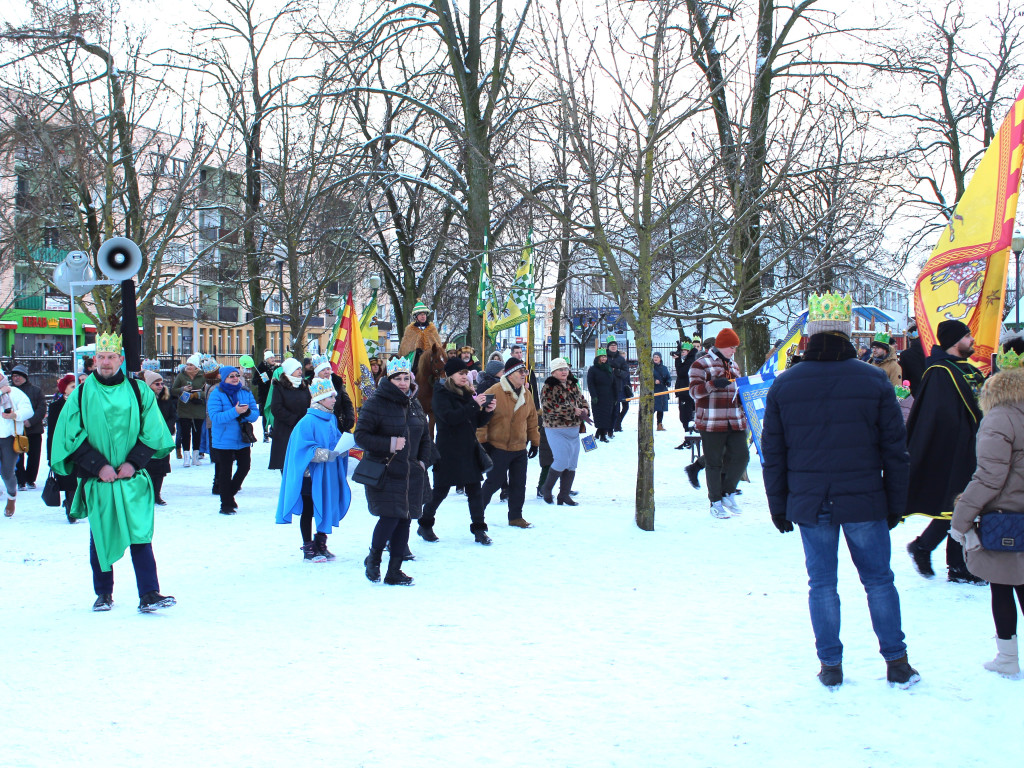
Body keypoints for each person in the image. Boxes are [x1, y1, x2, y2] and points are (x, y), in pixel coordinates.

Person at [761, 292, 919, 690]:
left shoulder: (786, 384)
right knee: (879, 581)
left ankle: (830, 665)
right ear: (848, 332)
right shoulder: (872, 380)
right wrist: (896, 502)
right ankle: (896, 662)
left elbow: (774, 453)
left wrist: (778, 505)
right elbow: (895, 450)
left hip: (811, 500)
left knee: (822, 584)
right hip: (864, 496)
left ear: (810, 334)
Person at [50, 332, 176, 613]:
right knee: (101, 535)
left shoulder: (138, 391)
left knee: (140, 534)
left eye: (111, 357)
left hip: (132, 479)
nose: (105, 363)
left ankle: (149, 592)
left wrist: (133, 462)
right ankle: (103, 592)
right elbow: (70, 436)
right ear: (94, 360)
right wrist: (99, 466)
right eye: (101, 357)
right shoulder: (81, 394)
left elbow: (154, 430)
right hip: (100, 480)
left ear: (120, 359)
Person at [950, 355, 1024, 678]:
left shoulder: (999, 417)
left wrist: (960, 518)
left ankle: (1007, 658)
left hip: (1007, 517)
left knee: (1003, 587)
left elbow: (990, 477)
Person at [904, 319, 987, 583]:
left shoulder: (968, 370)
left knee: (963, 507)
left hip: (974, 446)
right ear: (954, 341)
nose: (972, 340)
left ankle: (934, 552)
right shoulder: (940, 372)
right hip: (955, 450)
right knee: (960, 506)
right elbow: (941, 416)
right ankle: (955, 564)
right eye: (967, 336)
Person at [354, 356, 434, 584]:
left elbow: (425, 437)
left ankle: (394, 571)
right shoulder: (376, 403)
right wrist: (389, 444)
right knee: (390, 518)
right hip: (386, 471)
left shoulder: (414, 403)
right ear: (389, 380)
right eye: (397, 378)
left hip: (411, 472)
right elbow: (361, 436)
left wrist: (422, 462)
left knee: (405, 520)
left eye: (406, 378)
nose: (402, 382)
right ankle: (374, 559)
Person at [418, 356, 496, 545]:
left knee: (475, 491)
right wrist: (474, 405)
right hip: (448, 451)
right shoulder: (441, 392)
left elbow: (474, 422)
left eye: (466, 373)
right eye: (460, 373)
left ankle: (479, 529)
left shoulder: (467, 392)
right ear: (450, 375)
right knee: (440, 491)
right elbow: (449, 418)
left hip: (469, 448)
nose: (464, 376)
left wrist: (487, 412)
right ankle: (425, 524)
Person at [277, 377, 352, 562]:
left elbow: (334, 441)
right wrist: (326, 454)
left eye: (334, 396)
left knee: (326, 504)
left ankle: (321, 543)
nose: (335, 400)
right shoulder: (307, 422)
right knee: (309, 510)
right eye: (330, 397)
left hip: (326, 474)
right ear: (319, 400)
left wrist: (342, 449)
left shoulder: (331, 419)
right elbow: (303, 449)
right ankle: (308, 547)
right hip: (310, 475)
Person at [688, 328, 749, 519]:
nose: (734, 351)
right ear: (721, 346)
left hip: (735, 420)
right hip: (712, 420)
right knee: (714, 463)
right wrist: (713, 384)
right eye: (732, 347)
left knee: (741, 457)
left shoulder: (735, 365)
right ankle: (715, 501)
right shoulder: (701, 364)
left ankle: (727, 492)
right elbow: (694, 392)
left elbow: (737, 391)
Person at [477, 357, 541, 528]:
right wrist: (483, 442)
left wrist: (535, 442)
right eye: (521, 372)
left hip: (520, 447)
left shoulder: (526, 394)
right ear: (510, 374)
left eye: (525, 372)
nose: (524, 375)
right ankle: (477, 513)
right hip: (498, 446)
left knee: (519, 483)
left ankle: (515, 517)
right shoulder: (494, 391)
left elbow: (532, 420)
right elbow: (481, 418)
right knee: (494, 482)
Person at [207, 366, 259, 515]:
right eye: (231, 376)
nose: (235, 378)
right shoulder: (216, 394)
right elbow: (215, 417)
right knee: (225, 472)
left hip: (242, 437)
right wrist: (235, 411)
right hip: (223, 439)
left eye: (236, 375)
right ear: (223, 378)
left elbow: (255, 415)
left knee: (245, 467)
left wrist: (247, 412)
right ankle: (226, 504)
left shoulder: (245, 392)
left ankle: (229, 494)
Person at [539, 358, 590, 504]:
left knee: (572, 463)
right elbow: (549, 408)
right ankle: (546, 489)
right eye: (560, 369)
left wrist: (585, 409)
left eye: (566, 369)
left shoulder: (572, 384)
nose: (564, 372)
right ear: (553, 372)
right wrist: (572, 410)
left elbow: (582, 399)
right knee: (561, 460)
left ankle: (564, 495)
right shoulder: (548, 387)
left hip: (573, 429)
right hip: (556, 429)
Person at [46, 373, 79, 521]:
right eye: (72, 386)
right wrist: (50, 456)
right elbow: (52, 433)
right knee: (68, 480)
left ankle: (74, 504)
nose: (76, 388)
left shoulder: (83, 403)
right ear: (64, 389)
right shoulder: (56, 407)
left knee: (79, 480)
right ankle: (70, 507)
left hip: (80, 447)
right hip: (63, 450)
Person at [268, 358, 310, 471]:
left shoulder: (304, 385)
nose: (300, 371)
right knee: (287, 462)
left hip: (303, 428)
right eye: (297, 369)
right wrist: (294, 419)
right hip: (285, 429)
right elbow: (276, 408)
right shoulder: (280, 387)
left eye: (300, 369)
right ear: (290, 370)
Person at [1, 371, 33, 517]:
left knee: (7, 472)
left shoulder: (14, 392)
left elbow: (29, 411)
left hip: (9, 438)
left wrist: (15, 415)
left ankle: (11, 497)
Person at [142, 370, 175, 507]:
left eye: (161, 383)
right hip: (148, 438)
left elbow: (173, 415)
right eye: (157, 384)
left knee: (161, 469)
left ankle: (157, 494)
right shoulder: (143, 400)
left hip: (163, 438)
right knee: (149, 467)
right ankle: (147, 494)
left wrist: (166, 427)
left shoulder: (166, 399)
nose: (160, 386)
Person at [10, 365, 45, 491]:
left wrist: (31, 421)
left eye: (18, 376)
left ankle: (31, 479)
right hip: (16, 430)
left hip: (33, 429)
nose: (16, 378)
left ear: (25, 376)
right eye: (14, 376)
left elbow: (41, 408)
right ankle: (21, 480)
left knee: (34, 456)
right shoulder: (9, 391)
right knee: (17, 456)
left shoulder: (35, 391)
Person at [171, 354, 207, 467]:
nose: (188, 367)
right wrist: (183, 389)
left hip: (198, 408)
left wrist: (198, 394)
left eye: (191, 365)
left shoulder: (203, 376)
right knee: (186, 434)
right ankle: (186, 458)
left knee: (197, 433)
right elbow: (173, 390)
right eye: (187, 364)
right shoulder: (181, 376)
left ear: (196, 366)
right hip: (184, 408)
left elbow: (208, 391)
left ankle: (195, 457)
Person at [309, 354, 356, 434]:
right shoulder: (311, 385)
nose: (326, 372)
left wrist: (350, 417)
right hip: (320, 424)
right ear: (317, 372)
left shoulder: (336, 382)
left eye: (328, 369)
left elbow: (346, 402)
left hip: (338, 423)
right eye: (323, 370)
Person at [397, 299, 443, 366]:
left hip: (431, 356)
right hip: (416, 357)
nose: (423, 316)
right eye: (420, 314)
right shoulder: (410, 329)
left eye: (424, 314)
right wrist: (416, 350)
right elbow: (405, 347)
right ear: (416, 317)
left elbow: (438, 344)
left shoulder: (432, 328)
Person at [587, 349, 618, 442]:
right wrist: (594, 396)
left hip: (609, 396)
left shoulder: (609, 369)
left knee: (607, 416)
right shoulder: (593, 369)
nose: (604, 359)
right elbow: (590, 383)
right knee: (600, 416)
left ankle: (600, 433)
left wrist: (615, 396)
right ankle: (602, 435)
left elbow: (614, 383)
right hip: (598, 396)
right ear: (598, 358)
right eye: (602, 357)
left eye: (605, 357)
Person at [605, 338, 630, 433]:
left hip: (618, 386)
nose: (613, 347)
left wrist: (617, 371)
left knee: (617, 408)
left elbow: (626, 372)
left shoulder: (620, 359)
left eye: (615, 346)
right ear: (608, 347)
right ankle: (606, 426)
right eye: (612, 346)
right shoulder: (604, 357)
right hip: (606, 386)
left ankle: (616, 426)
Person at [256, 350, 278, 442]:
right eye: (271, 358)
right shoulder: (261, 368)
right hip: (265, 395)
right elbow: (254, 381)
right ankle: (265, 433)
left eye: (273, 357)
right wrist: (261, 379)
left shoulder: (276, 368)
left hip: (274, 394)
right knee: (265, 414)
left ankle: (273, 430)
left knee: (274, 413)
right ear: (266, 359)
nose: (273, 359)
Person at [899, 324, 927, 396]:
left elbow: (904, 378)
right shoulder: (930, 352)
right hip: (931, 392)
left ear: (909, 340)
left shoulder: (905, 355)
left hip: (914, 394)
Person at [652, 352, 672, 431]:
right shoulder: (650, 368)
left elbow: (669, 377)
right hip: (654, 390)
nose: (655, 358)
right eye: (654, 357)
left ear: (660, 358)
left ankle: (659, 425)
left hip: (663, 390)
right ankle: (647, 425)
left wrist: (668, 382)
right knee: (652, 409)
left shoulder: (664, 368)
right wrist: (653, 381)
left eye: (657, 357)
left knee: (661, 409)